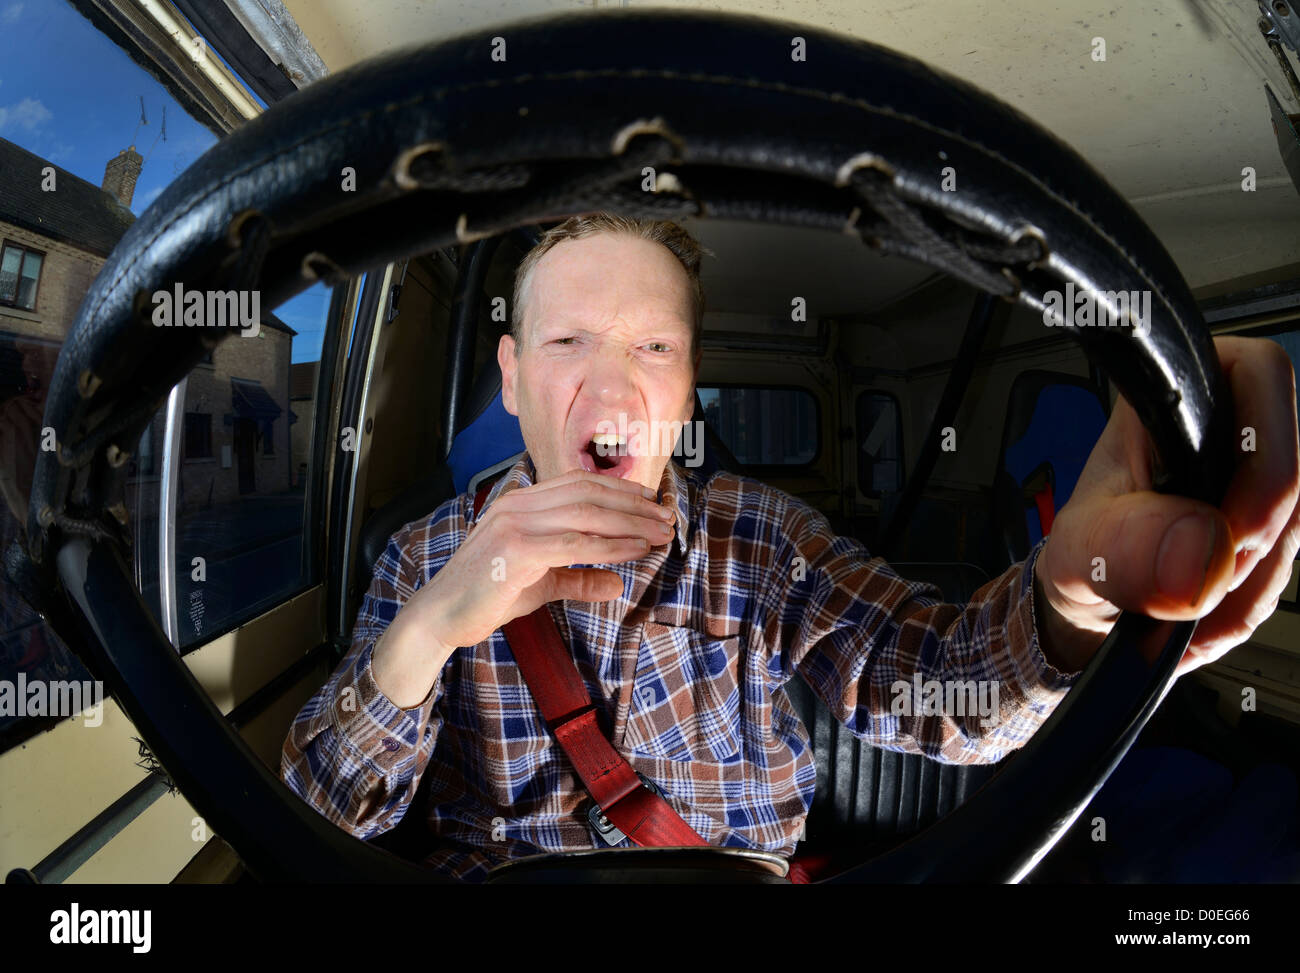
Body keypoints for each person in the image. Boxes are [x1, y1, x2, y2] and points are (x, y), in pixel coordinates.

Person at [281, 213, 1300, 882]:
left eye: (652, 347)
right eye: (566, 342)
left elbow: (934, 682)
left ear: (685, 392)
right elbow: (320, 830)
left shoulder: (761, 540)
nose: (610, 385)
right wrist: (428, 632)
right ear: (509, 379)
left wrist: (1067, 608)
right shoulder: (423, 557)